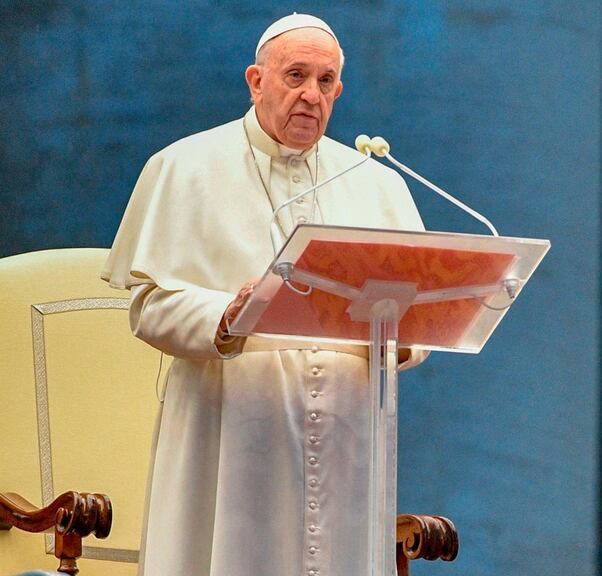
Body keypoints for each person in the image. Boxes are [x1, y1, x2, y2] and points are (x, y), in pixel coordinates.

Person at [102, 13, 426, 576]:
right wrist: (225, 315)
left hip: (347, 436)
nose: (311, 95)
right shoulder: (185, 167)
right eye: (295, 76)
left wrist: (400, 339)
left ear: (339, 91)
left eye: (326, 82)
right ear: (256, 81)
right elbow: (148, 306)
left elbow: (418, 321)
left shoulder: (378, 183)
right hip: (231, 426)